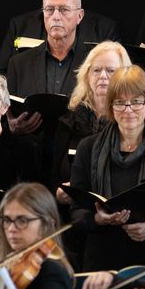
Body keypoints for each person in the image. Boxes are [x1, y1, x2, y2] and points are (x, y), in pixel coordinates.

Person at [68, 66, 145, 272]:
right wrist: (98, 219)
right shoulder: (88, 148)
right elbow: (75, 211)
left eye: (135, 101)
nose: (128, 110)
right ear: (110, 106)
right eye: (120, 102)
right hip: (101, 263)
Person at [4, 0, 86, 136]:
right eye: (49, 9)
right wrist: (11, 126)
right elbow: (8, 115)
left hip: (77, 153)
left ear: (79, 16)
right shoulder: (18, 63)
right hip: (30, 152)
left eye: (64, 9)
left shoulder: (94, 63)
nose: (55, 16)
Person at [50, 41, 131, 191]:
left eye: (111, 70)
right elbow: (52, 174)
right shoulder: (70, 118)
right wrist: (58, 193)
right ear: (87, 75)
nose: (103, 76)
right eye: (96, 70)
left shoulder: (132, 120)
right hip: (70, 209)